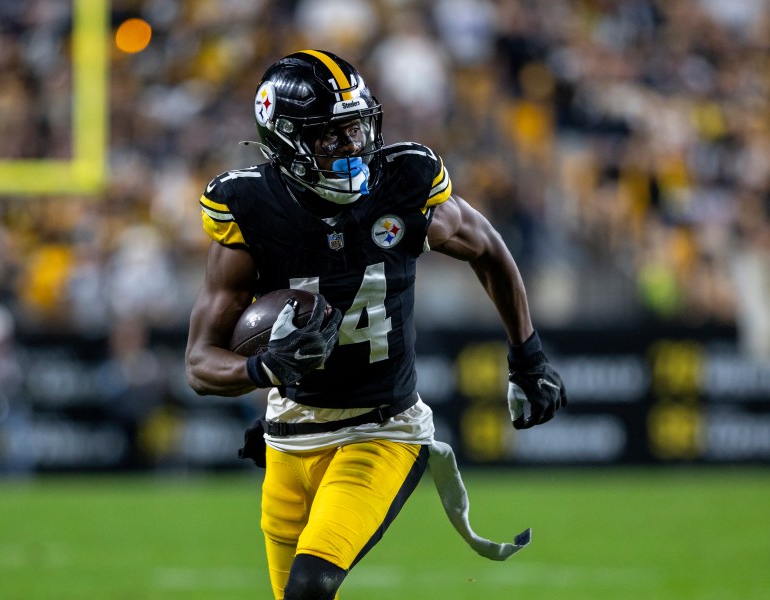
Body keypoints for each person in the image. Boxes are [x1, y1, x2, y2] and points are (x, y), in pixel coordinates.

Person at [185, 50, 567, 600]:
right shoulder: (249, 207)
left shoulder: (401, 183)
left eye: (356, 129)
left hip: (380, 429)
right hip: (289, 438)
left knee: (309, 589)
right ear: (286, 141)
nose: (351, 147)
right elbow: (200, 363)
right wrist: (263, 365)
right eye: (329, 136)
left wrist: (527, 354)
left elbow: (487, 247)